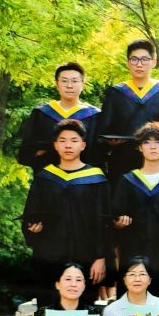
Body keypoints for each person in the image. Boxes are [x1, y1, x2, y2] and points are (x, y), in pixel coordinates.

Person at [22, 120, 111, 305]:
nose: (68, 145)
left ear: (83, 145)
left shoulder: (96, 179)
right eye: (62, 140)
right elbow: (31, 214)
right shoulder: (44, 177)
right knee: (46, 307)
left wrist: (101, 257)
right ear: (55, 145)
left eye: (74, 140)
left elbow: (103, 222)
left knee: (85, 308)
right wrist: (33, 229)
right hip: (49, 255)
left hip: (86, 255)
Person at [111, 121, 159, 312]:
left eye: (158, 141)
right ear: (139, 147)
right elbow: (114, 217)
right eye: (146, 142)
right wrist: (119, 224)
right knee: (129, 311)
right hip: (132, 254)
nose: (153, 146)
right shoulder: (127, 181)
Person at [96, 39, 159, 180]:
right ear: (128, 63)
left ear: (153, 62)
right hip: (123, 161)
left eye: (144, 59)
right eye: (134, 59)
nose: (139, 64)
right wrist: (108, 142)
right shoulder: (116, 93)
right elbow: (103, 130)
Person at [17, 62, 100, 170]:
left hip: (84, 177)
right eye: (64, 81)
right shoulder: (42, 113)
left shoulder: (94, 115)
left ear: (82, 84)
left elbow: (99, 153)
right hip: (48, 176)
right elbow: (26, 151)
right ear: (57, 84)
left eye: (74, 81)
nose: (69, 86)